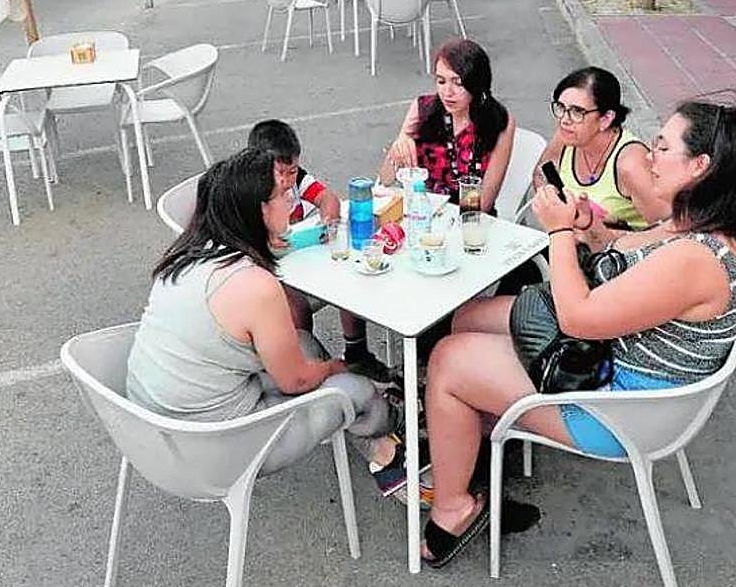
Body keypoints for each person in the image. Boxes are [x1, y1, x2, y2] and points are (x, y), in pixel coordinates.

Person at [416, 100, 736, 566]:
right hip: (615, 354)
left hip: (619, 407)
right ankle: (475, 452)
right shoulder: (703, 221)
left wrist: (560, 232)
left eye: (663, 146)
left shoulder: (699, 258)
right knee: (468, 318)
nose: (648, 154)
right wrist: (592, 231)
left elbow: (578, 319)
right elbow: (628, 263)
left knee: (448, 358)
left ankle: (455, 507)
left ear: (699, 166)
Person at [124, 149, 411, 492]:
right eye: (283, 195)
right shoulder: (255, 284)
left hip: (146, 430)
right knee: (355, 389)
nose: (292, 200)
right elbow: (296, 383)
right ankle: (396, 433)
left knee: (302, 343)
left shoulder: (187, 255)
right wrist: (335, 368)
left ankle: (367, 435)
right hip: (211, 450)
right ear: (260, 209)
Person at [246, 120, 393, 384]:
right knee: (296, 307)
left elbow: (328, 198)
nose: (287, 181)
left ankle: (357, 353)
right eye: (281, 173)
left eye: (291, 172)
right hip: (271, 271)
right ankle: (304, 364)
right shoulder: (250, 194)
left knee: (349, 274)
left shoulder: (297, 179)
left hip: (304, 258)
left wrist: (328, 218)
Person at [380, 38, 515, 213]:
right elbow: (385, 180)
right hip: (422, 212)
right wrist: (398, 148)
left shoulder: (498, 121)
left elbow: (484, 204)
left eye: (458, 83)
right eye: (441, 81)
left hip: (470, 219)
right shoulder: (423, 109)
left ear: (476, 83)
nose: (447, 92)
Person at [537, 67, 667, 242]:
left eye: (577, 112)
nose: (564, 120)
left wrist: (597, 228)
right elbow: (540, 173)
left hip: (626, 257)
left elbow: (667, 233)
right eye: (560, 107)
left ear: (606, 119)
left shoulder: (630, 163)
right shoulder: (567, 136)